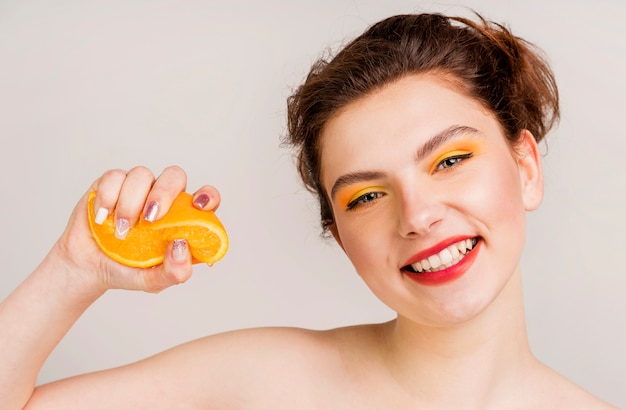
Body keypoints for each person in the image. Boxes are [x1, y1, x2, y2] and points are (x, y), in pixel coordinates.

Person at [0, 11, 617, 409]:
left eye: (450, 160)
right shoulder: (264, 382)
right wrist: (74, 268)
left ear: (525, 168)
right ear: (340, 237)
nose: (418, 215)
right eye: (366, 196)